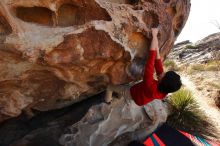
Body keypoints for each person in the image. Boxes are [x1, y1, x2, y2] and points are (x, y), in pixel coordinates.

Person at [105, 28, 182, 106]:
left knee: (110, 87)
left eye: (164, 75)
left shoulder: (150, 86)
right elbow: (158, 63)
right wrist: (156, 46)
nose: (163, 73)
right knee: (123, 88)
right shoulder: (163, 90)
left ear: (163, 82)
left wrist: (154, 36)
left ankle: (108, 101)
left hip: (132, 94)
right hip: (141, 96)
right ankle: (119, 96)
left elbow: (150, 62)